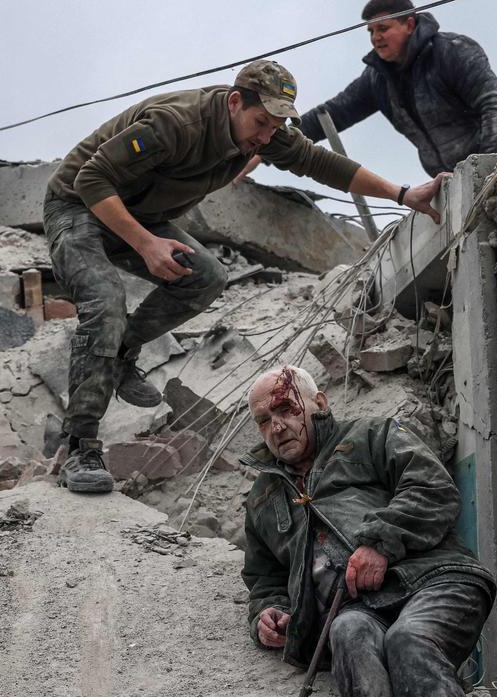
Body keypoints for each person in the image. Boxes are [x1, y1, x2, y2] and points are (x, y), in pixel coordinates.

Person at [43, 59, 446, 494]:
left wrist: (404, 193)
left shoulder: (260, 133)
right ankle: (79, 446)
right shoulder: (175, 123)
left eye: (275, 127)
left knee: (206, 276)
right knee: (105, 303)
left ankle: (119, 353)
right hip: (78, 206)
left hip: (140, 214)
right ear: (235, 102)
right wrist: (145, 244)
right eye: (261, 122)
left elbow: (321, 162)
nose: (266, 136)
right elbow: (91, 179)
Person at [240, 365, 496, 697]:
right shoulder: (261, 498)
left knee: (409, 640)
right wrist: (270, 612)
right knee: (346, 631)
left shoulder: (373, 434)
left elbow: (432, 488)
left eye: (286, 409)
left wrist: (380, 543)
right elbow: (264, 578)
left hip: (431, 581)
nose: (277, 426)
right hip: (356, 609)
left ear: (319, 403)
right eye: (264, 420)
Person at [236, 0, 497, 183]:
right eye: (371, 31)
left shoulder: (451, 52)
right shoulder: (377, 79)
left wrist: (488, 167)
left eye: (383, 28)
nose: (376, 37)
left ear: (409, 24)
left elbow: (496, 105)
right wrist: (268, 147)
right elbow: (331, 114)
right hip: (451, 180)